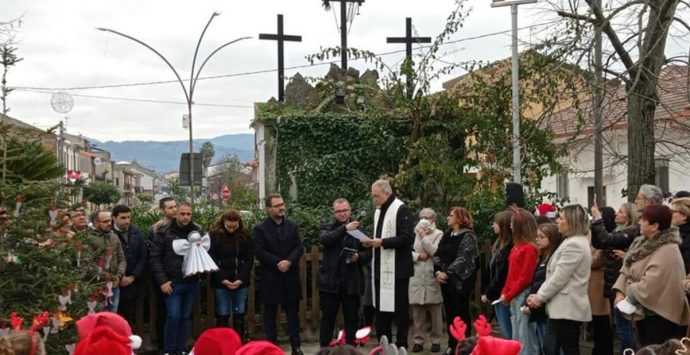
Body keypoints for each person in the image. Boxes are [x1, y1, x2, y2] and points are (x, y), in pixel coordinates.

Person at [613, 204, 690, 345]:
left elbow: (650, 285)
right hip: (644, 312)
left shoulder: (669, 250)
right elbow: (626, 269)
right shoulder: (641, 244)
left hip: (660, 317)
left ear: (654, 226)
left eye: (643, 219)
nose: (639, 222)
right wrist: (619, 293)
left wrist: (628, 293)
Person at [526, 204, 592, 355]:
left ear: (572, 222)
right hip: (561, 307)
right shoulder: (571, 242)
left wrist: (540, 296)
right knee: (551, 348)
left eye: (561, 218)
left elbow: (559, 277)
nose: (557, 221)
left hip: (567, 307)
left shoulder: (574, 244)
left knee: (566, 349)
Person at [360, 180, 414, 349]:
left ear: (386, 193)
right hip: (380, 267)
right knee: (381, 309)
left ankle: (401, 343)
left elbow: (406, 239)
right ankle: (384, 343)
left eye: (376, 195)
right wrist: (371, 243)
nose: (374, 199)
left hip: (397, 269)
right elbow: (379, 237)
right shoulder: (378, 211)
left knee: (399, 309)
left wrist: (382, 242)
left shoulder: (401, 209)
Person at [253, 194, 305, 355]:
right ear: (269, 209)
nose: (281, 207)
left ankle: (296, 347)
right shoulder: (260, 229)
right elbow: (259, 251)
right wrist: (278, 263)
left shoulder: (292, 226)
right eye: (277, 205)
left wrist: (288, 262)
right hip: (271, 278)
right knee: (269, 316)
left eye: (282, 204)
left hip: (290, 277)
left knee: (292, 315)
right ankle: (271, 347)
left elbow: (299, 247)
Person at [149, 202, 202, 355]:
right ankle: (169, 351)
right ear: (176, 214)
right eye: (182, 214)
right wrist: (163, 280)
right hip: (172, 282)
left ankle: (180, 350)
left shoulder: (197, 231)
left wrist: (199, 273)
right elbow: (154, 258)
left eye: (189, 214)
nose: (186, 217)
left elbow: (203, 255)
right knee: (173, 316)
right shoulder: (164, 232)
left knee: (186, 317)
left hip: (191, 282)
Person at [317, 198, 371, 348]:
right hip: (331, 282)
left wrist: (358, 256)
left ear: (350, 210)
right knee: (328, 318)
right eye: (338, 211)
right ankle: (325, 349)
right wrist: (345, 229)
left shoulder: (359, 229)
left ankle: (351, 348)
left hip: (352, 282)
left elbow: (368, 253)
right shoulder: (328, 227)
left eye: (344, 210)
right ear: (333, 213)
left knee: (352, 319)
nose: (342, 214)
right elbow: (325, 240)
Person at [433, 207, 479, 355]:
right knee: (451, 314)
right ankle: (452, 345)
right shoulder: (447, 235)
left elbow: (465, 259)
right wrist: (438, 271)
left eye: (451, 215)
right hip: (446, 282)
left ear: (460, 218)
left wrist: (448, 273)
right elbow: (438, 254)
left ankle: (464, 346)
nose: (447, 217)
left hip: (460, 283)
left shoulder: (468, 236)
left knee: (461, 313)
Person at [209, 209, 254, 340]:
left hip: (240, 281)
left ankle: (239, 341)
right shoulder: (214, 236)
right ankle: (222, 342)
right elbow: (212, 259)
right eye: (229, 226)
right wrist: (223, 279)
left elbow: (249, 259)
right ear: (223, 222)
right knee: (222, 312)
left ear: (239, 223)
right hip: (221, 282)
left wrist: (241, 279)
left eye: (234, 227)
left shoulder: (245, 236)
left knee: (239, 311)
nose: (231, 230)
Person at [499, 208, 538, 355]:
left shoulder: (529, 248)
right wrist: (505, 292)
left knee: (525, 332)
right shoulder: (517, 247)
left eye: (512, 223)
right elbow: (511, 274)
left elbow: (526, 277)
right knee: (516, 329)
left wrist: (508, 294)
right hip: (514, 294)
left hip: (522, 294)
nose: (510, 225)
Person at [522, 222, 562, 352]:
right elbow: (535, 283)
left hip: (544, 309)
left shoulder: (553, 258)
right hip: (537, 308)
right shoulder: (542, 257)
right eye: (537, 236)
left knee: (551, 347)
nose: (537, 240)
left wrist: (533, 307)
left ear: (552, 238)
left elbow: (545, 284)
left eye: (542, 237)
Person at [409, 208, 444, 353]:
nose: (424, 220)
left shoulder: (439, 234)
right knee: (417, 311)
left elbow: (435, 252)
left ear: (433, 220)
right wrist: (417, 256)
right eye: (421, 217)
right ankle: (418, 340)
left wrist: (424, 237)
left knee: (435, 311)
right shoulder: (413, 233)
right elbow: (406, 252)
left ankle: (436, 340)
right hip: (416, 275)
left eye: (427, 217)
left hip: (431, 275)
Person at [111, 204, 148, 325]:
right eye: (123, 218)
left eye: (128, 217)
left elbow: (143, 256)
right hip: (113, 282)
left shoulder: (135, 232)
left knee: (129, 315)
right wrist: (118, 277)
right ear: (114, 218)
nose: (127, 221)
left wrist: (133, 276)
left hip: (132, 282)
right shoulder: (109, 234)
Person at [481, 210, 513, 339]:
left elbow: (502, 272)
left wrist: (490, 292)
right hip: (496, 293)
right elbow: (490, 269)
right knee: (504, 329)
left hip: (503, 293)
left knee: (508, 331)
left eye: (495, 223)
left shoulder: (509, 246)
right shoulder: (498, 243)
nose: (493, 225)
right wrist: (485, 290)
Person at [86, 210, 127, 313]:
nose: (109, 224)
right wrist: (107, 277)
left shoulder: (114, 237)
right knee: (97, 317)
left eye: (110, 221)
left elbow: (122, 259)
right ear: (96, 223)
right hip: (96, 286)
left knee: (112, 317)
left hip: (114, 286)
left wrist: (118, 276)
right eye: (105, 222)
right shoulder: (88, 238)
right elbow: (88, 263)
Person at [151, 196, 177, 351]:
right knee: (164, 313)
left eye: (175, 206)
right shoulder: (157, 229)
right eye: (170, 207)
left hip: (179, 278)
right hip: (163, 278)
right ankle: (163, 345)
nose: (174, 210)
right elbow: (154, 255)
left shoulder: (182, 226)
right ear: (162, 210)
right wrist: (162, 279)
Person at [671, 197, 690, 272]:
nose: (670, 214)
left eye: (673, 211)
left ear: (684, 216)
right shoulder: (677, 232)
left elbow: (685, 265)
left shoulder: (687, 238)